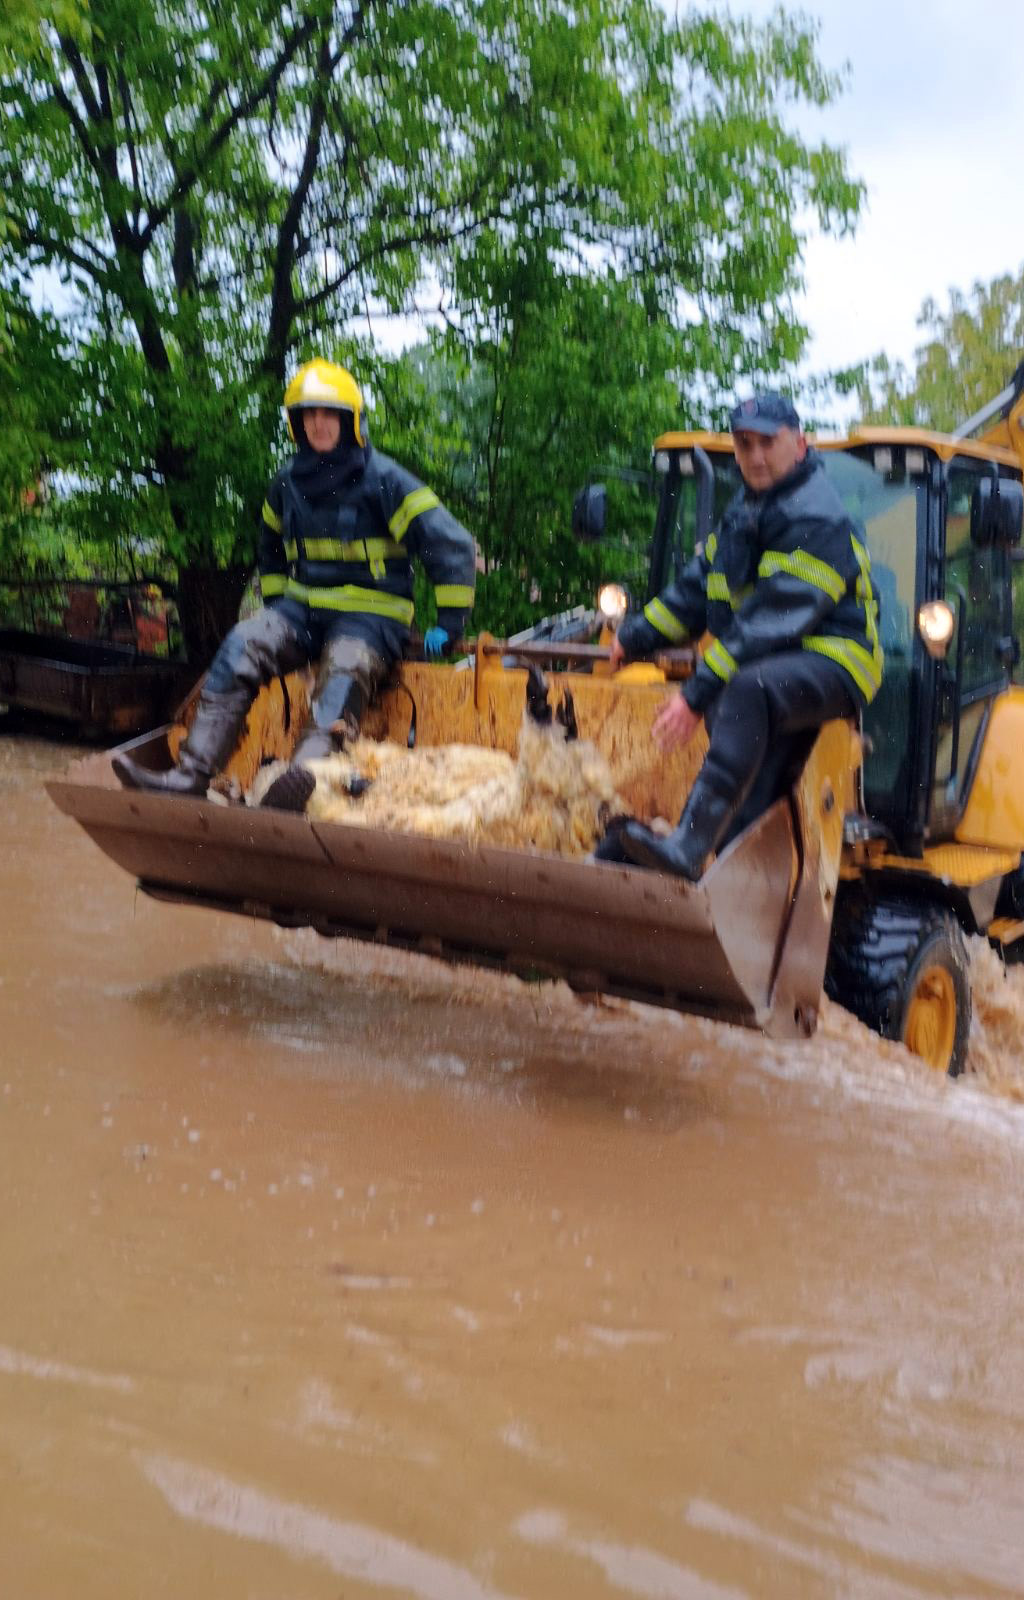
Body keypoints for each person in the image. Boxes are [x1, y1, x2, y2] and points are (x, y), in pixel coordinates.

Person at [113, 358, 476, 809]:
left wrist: (450, 622)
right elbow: (269, 548)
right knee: (242, 645)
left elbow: (451, 545)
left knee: (344, 668)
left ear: (350, 420)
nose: (318, 424)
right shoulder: (286, 483)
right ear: (295, 423)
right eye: (309, 414)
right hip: (304, 614)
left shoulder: (386, 481)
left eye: (329, 414)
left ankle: (300, 786)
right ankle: (190, 776)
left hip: (372, 619)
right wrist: (279, 610)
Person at [605, 391, 882, 879]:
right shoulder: (747, 512)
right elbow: (697, 590)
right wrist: (635, 636)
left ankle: (688, 846)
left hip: (836, 660)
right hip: (778, 666)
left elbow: (768, 623)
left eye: (766, 443)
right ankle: (728, 894)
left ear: (798, 444)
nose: (754, 456)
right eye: (743, 443)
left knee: (746, 689)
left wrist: (694, 696)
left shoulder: (816, 515)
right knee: (752, 790)